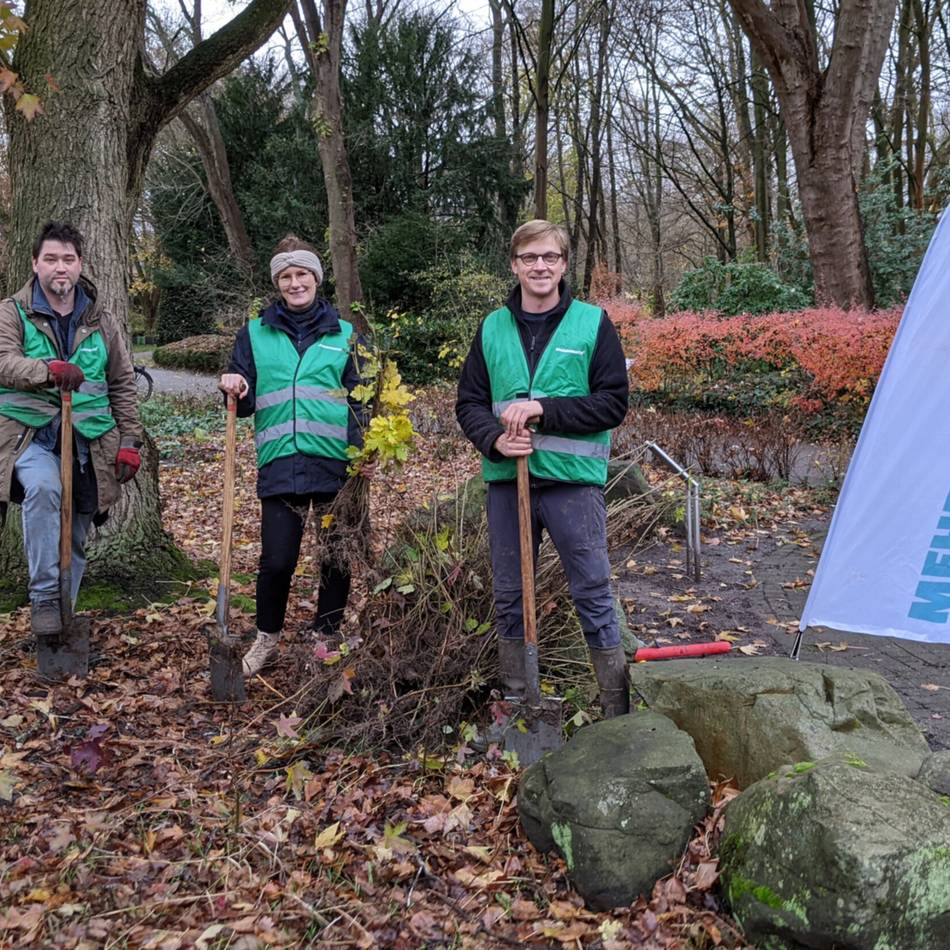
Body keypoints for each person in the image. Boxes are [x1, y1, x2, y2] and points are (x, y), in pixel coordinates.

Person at [455, 219, 631, 717]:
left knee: (593, 591)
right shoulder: (492, 328)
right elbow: (468, 403)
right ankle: (519, 700)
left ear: (563, 264)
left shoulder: (592, 324)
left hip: (573, 486)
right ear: (514, 265)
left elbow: (612, 403)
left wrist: (542, 409)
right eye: (530, 257)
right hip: (509, 485)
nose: (540, 266)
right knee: (510, 592)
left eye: (549, 257)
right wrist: (492, 440)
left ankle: (616, 710)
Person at [219, 235, 367, 677]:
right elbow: (242, 394)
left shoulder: (344, 334)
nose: (295, 282)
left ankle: (327, 640)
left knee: (334, 558)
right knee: (277, 559)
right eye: (286, 276)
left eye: (302, 274)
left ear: (316, 279)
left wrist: (362, 452)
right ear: (277, 283)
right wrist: (234, 385)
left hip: (334, 464)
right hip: (280, 460)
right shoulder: (254, 333)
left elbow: (362, 398)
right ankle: (266, 639)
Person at [0, 221, 143, 636]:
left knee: (77, 532)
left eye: (68, 259)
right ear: (35, 264)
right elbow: (4, 361)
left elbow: (122, 382)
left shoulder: (101, 320)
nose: (59, 268)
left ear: (80, 264)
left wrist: (130, 440)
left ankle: (63, 621)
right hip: (29, 437)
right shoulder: (12, 312)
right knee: (45, 491)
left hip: (89, 442)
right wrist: (48, 371)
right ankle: (44, 597)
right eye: (50, 259)